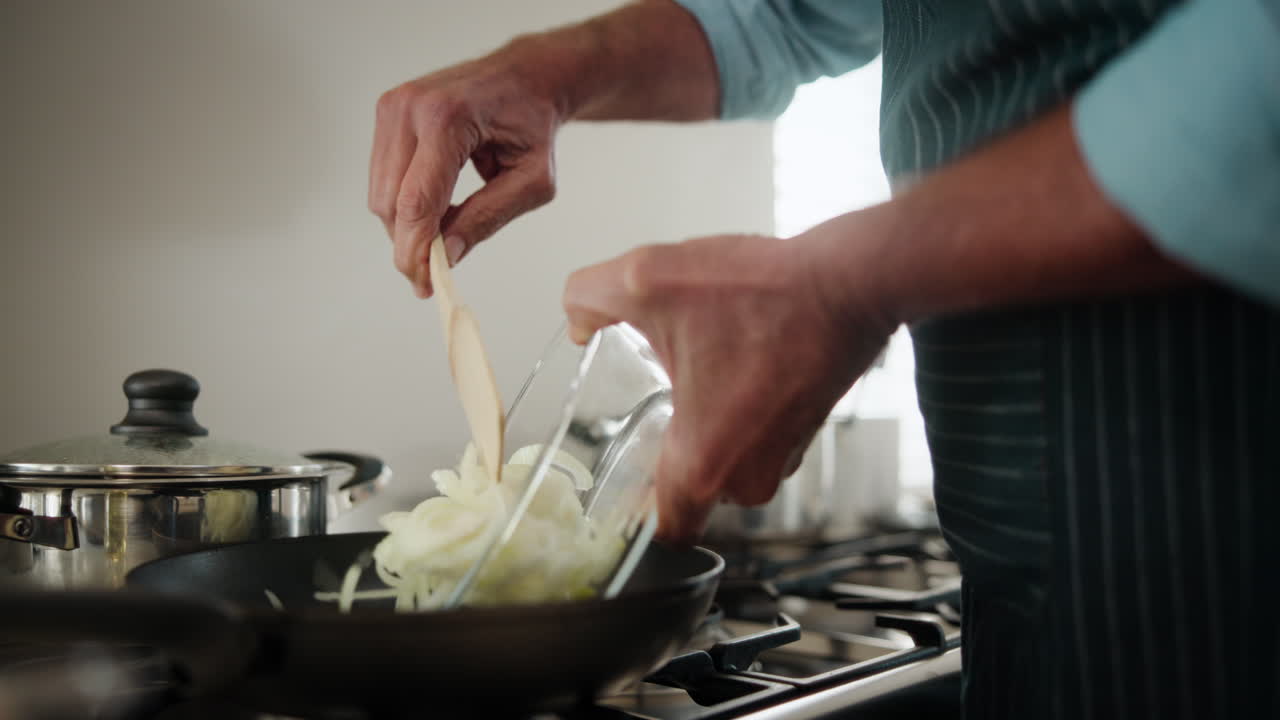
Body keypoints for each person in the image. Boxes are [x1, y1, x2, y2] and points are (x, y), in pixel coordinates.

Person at [368, 0, 1279, 716]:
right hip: (1021, 548)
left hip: (1222, 513)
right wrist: (554, 71)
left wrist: (846, 282)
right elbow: (783, 8)